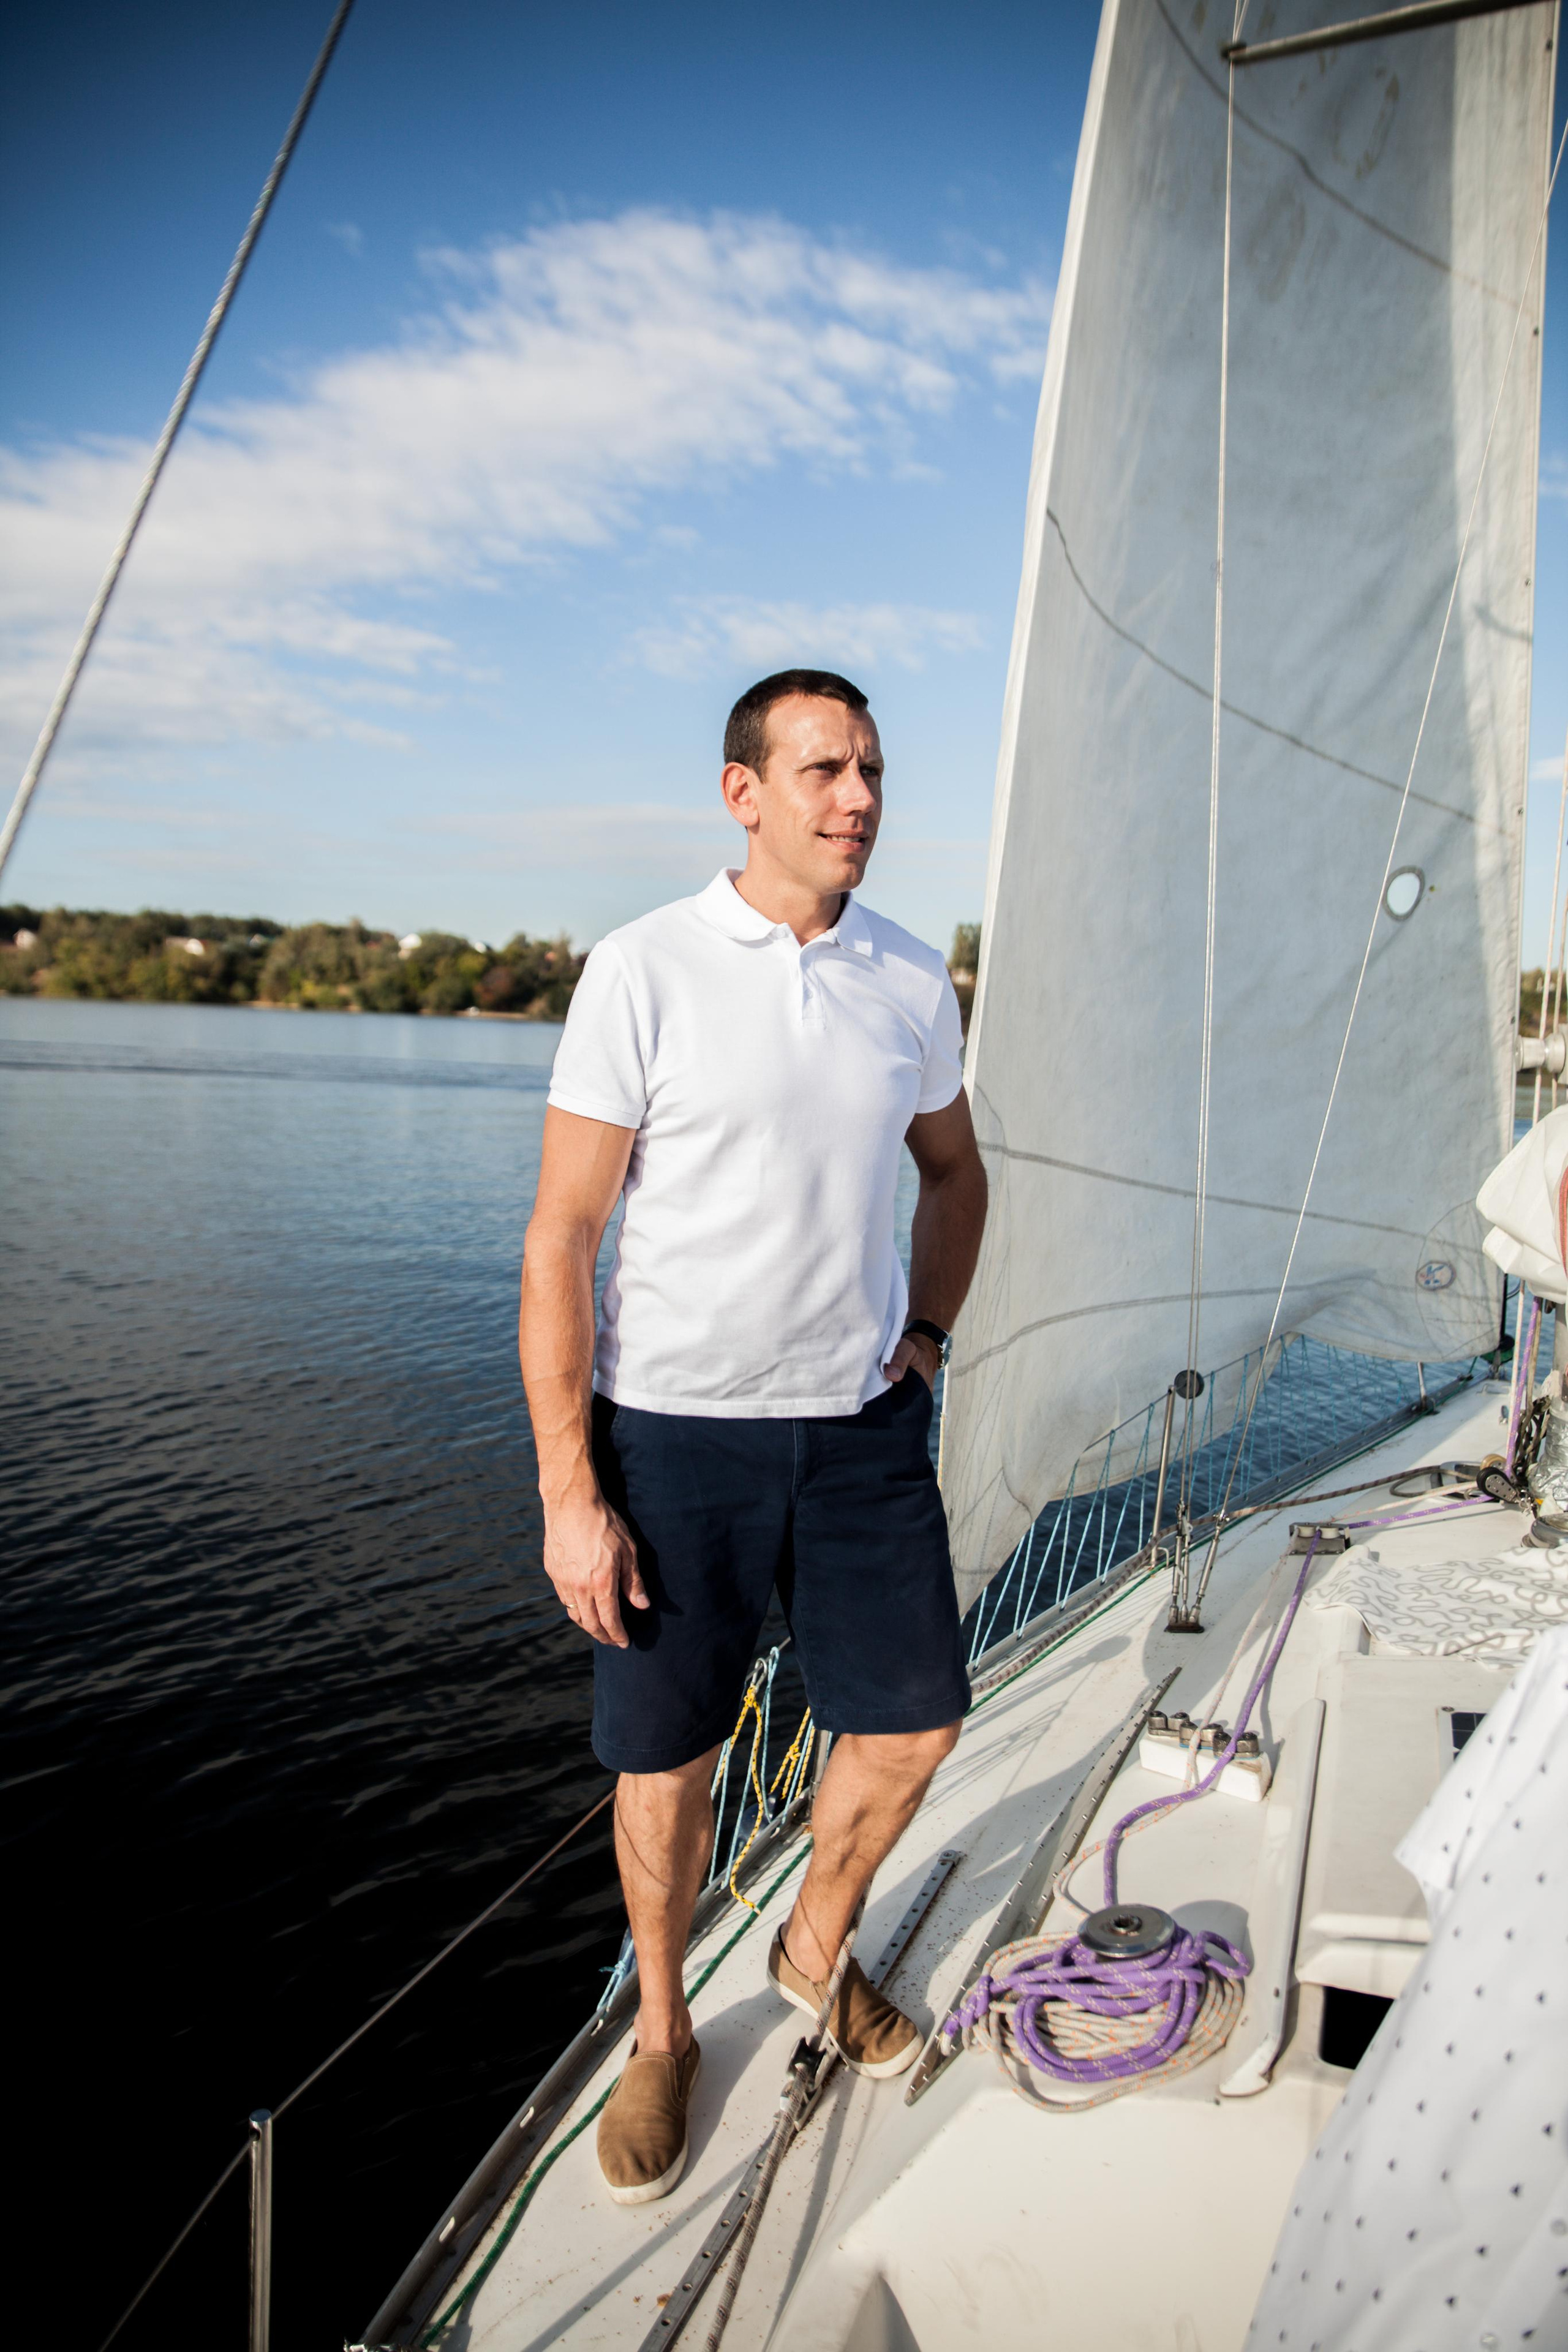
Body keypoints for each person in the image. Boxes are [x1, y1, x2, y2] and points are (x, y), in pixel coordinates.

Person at [518, 668, 988, 2205]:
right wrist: (567, 1489)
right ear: (744, 792)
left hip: (858, 1434)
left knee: (914, 1720)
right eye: (822, 771)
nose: (856, 799)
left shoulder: (913, 981)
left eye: (868, 769)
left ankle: (810, 1948)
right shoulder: (642, 968)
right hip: (672, 1441)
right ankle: (660, 2034)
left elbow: (956, 1175)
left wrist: (922, 1339)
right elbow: (562, 1238)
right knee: (666, 1761)